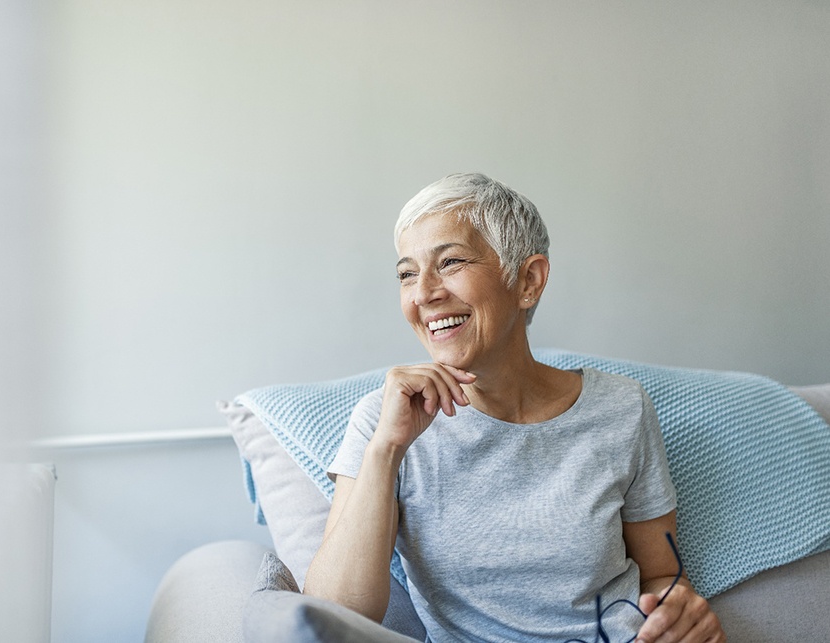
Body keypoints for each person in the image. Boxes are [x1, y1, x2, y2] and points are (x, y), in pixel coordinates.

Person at [304, 173, 725, 643]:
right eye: (406, 273)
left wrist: (683, 619)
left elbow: (662, 575)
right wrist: (386, 450)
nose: (423, 293)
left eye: (450, 262)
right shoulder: (383, 421)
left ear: (528, 280)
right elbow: (331, 617)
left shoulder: (622, 408)